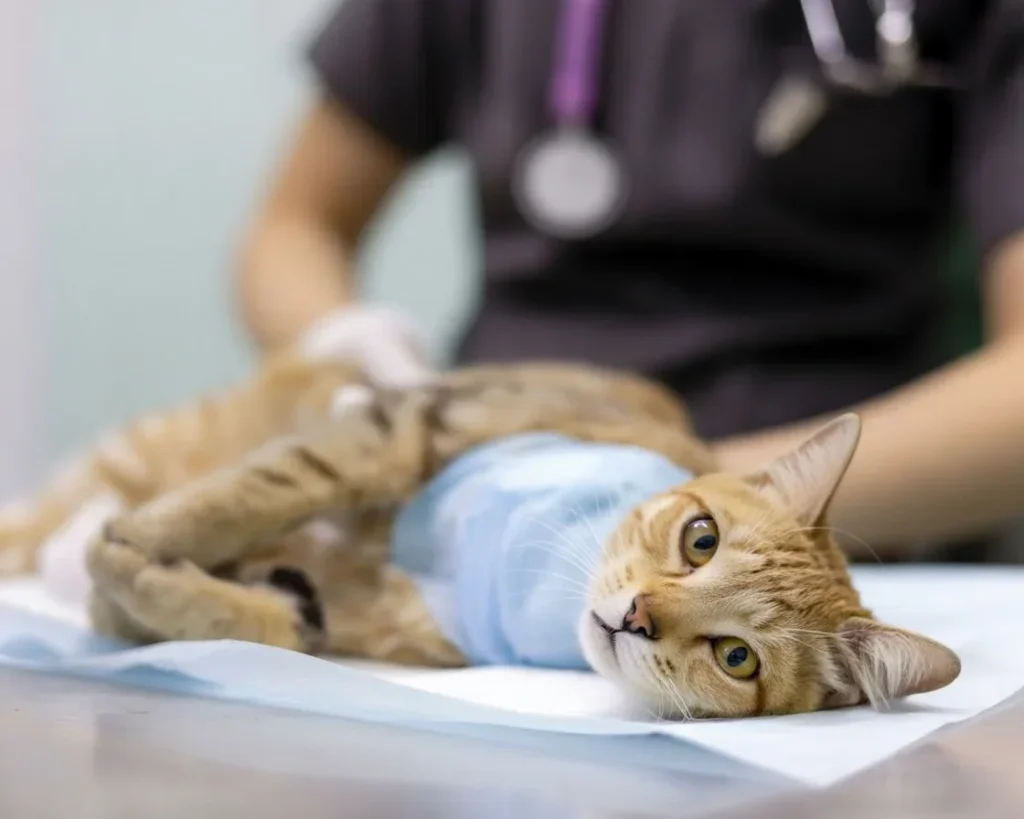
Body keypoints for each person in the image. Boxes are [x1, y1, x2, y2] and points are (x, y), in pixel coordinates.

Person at [233, 0, 1024, 559]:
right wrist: (355, 353)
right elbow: (294, 227)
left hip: (808, 528)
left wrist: (691, 493)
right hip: (482, 494)